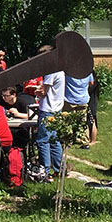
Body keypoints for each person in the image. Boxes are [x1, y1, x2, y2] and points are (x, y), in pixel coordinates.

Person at [35, 46, 64, 180]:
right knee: (54, 140)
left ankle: (45, 172)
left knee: (43, 141)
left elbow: (43, 91)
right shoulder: (60, 69)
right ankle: (59, 169)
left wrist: (35, 92)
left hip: (47, 110)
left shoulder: (51, 71)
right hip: (57, 109)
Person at [64, 72, 94, 147]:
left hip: (69, 99)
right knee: (83, 122)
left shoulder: (68, 72)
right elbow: (91, 83)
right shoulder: (87, 72)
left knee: (68, 122)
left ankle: (68, 141)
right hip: (83, 100)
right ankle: (85, 142)